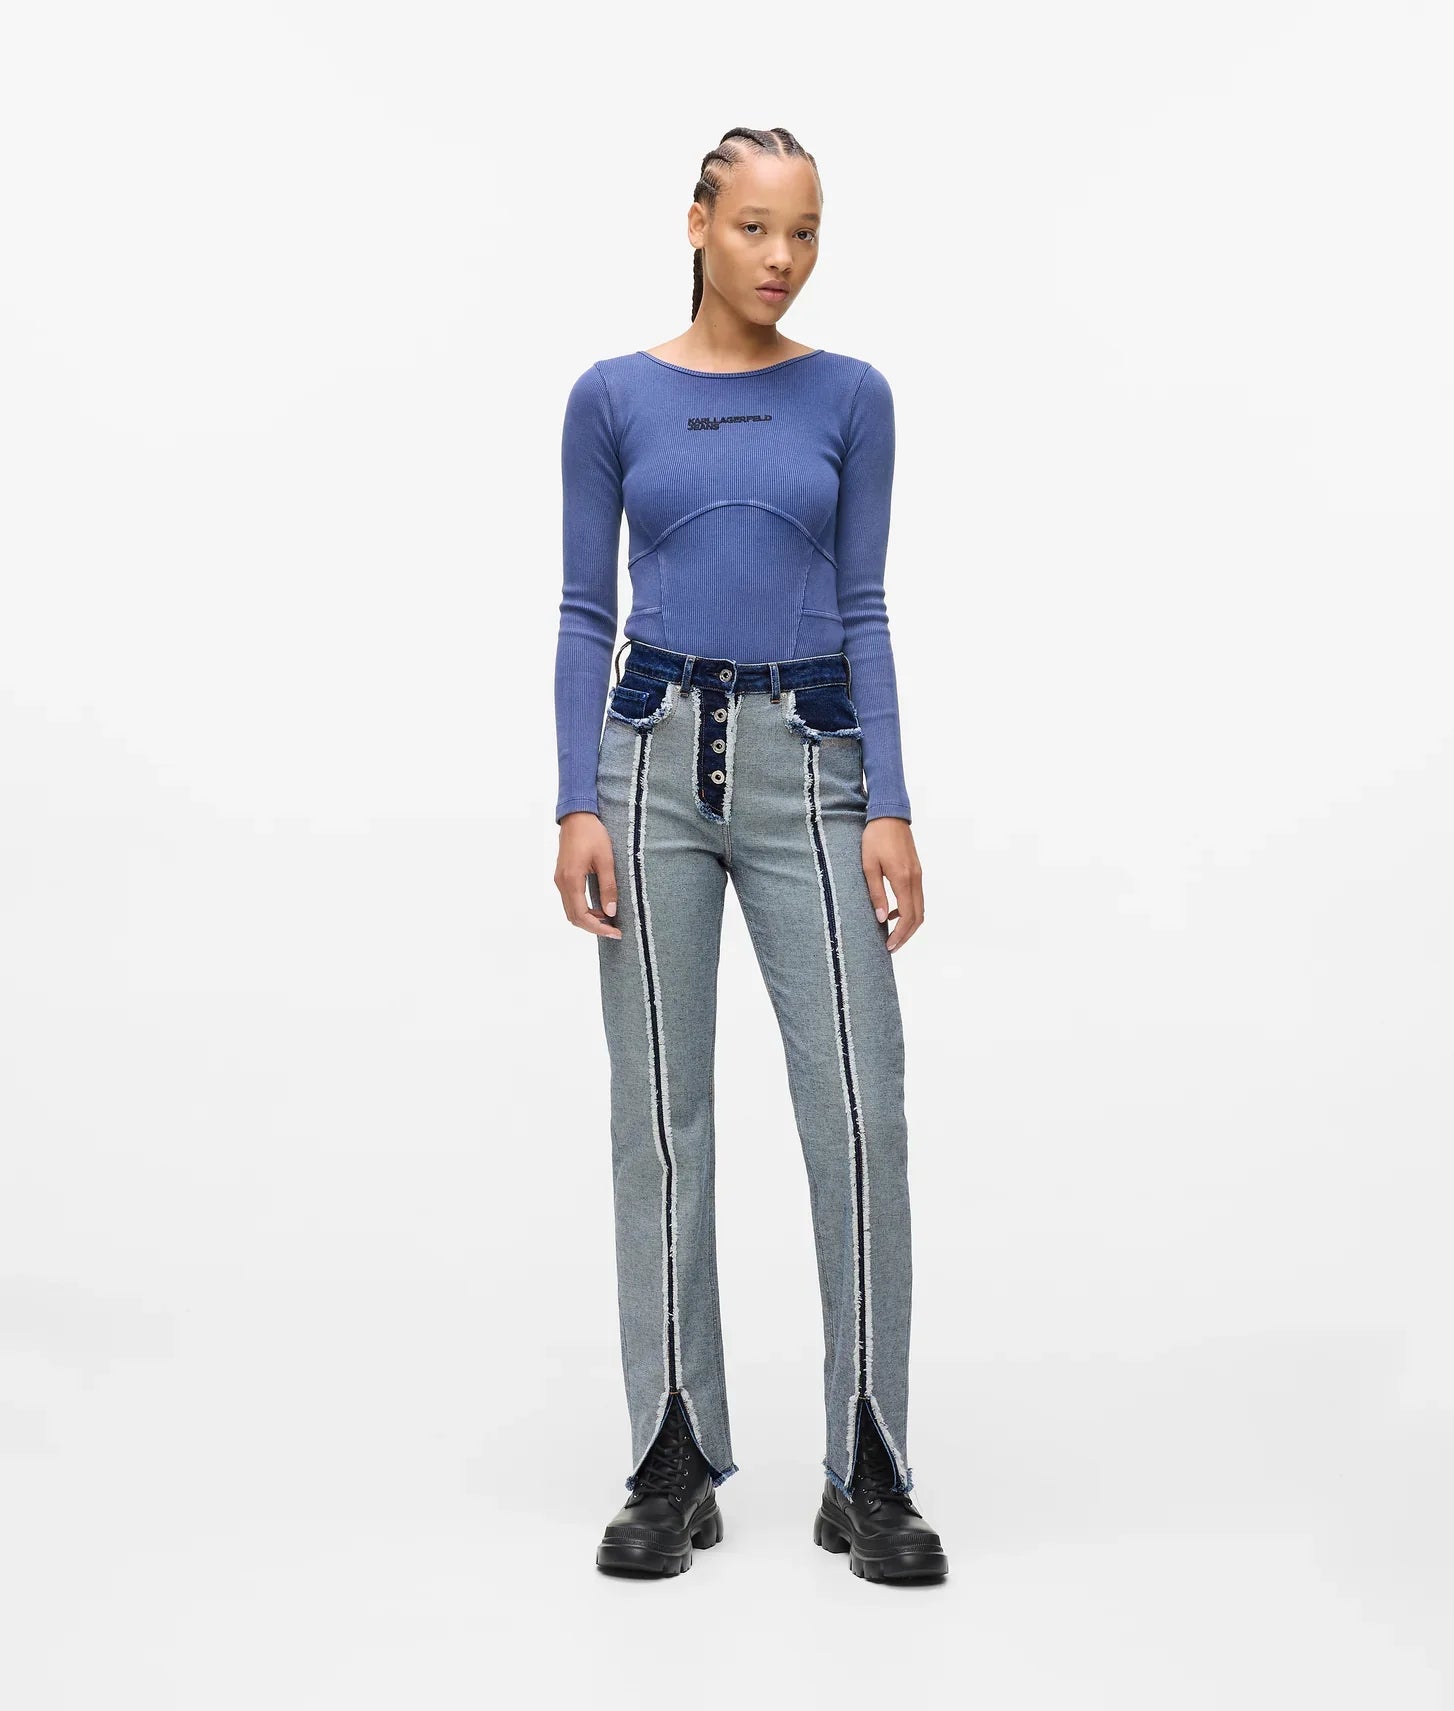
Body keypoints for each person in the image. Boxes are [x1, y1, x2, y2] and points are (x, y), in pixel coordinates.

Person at [552, 125, 948, 1584]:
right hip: (648, 765)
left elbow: (866, 601)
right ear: (697, 224)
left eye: (806, 231)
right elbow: (583, 611)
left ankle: (868, 1462)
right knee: (660, 1116)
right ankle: (673, 1452)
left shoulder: (852, 396)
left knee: (859, 1107)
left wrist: (888, 800)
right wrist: (574, 800)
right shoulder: (613, 396)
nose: (783, 258)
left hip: (813, 763)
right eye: (756, 227)